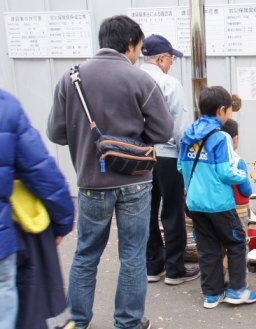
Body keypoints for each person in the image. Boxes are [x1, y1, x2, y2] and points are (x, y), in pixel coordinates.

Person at [47, 15, 173, 329]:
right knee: (132, 254)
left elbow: (56, 133)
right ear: (130, 45)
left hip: (91, 180)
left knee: (86, 253)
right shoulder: (141, 79)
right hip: (135, 181)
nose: (138, 54)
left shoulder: (71, 77)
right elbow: (163, 131)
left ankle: (76, 320)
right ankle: (128, 322)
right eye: (139, 47)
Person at [178, 86, 256, 309]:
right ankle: (236, 291)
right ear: (222, 110)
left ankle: (211, 295)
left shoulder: (188, 133)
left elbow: (181, 167)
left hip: (195, 202)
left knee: (207, 247)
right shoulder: (221, 136)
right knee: (235, 243)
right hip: (218, 203)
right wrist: (242, 173)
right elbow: (226, 172)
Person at [0, 89, 75, 329]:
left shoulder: (71, 78)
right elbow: (40, 170)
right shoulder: (5, 106)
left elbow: (56, 131)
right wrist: (63, 220)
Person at [140, 34, 199, 285]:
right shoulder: (169, 84)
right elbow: (180, 127)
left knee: (146, 211)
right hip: (166, 156)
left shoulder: (131, 80)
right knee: (172, 211)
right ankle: (174, 269)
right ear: (162, 58)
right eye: (171, 59)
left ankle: (152, 266)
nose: (171, 63)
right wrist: (186, 159)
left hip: (138, 156)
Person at [219, 119, 252, 229]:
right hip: (239, 209)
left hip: (220, 208)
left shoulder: (215, 159)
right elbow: (245, 190)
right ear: (235, 139)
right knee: (240, 238)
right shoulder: (238, 161)